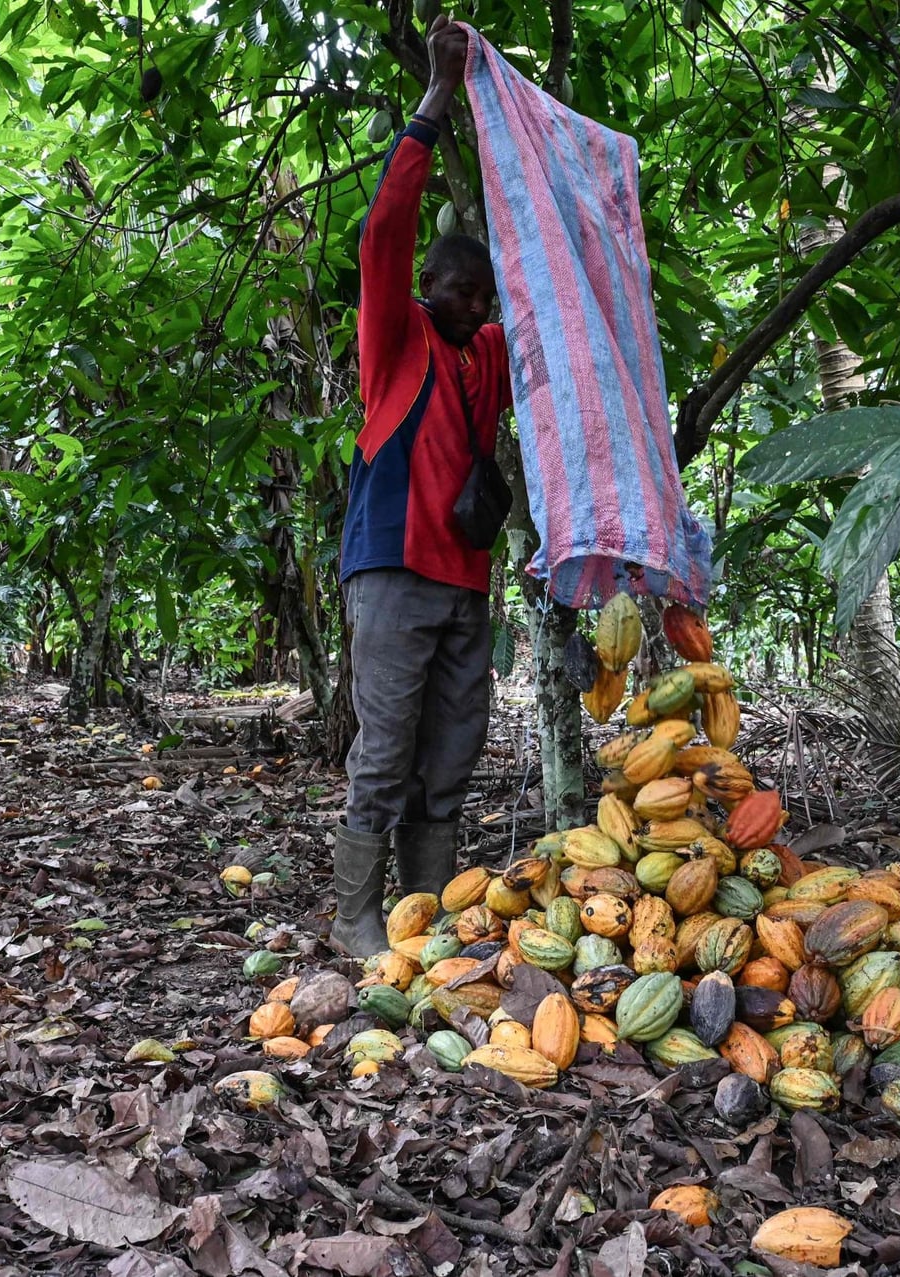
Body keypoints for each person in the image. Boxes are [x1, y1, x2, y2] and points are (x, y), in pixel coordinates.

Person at [331, 15, 514, 957]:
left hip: (464, 584)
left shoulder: (485, 354)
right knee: (386, 747)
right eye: (459, 291)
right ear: (428, 283)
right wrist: (438, 97)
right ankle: (355, 918)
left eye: (483, 300)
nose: (474, 308)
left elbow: (541, 307)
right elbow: (385, 232)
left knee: (450, 754)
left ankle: (423, 914)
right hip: (395, 571)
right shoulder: (398, 337)